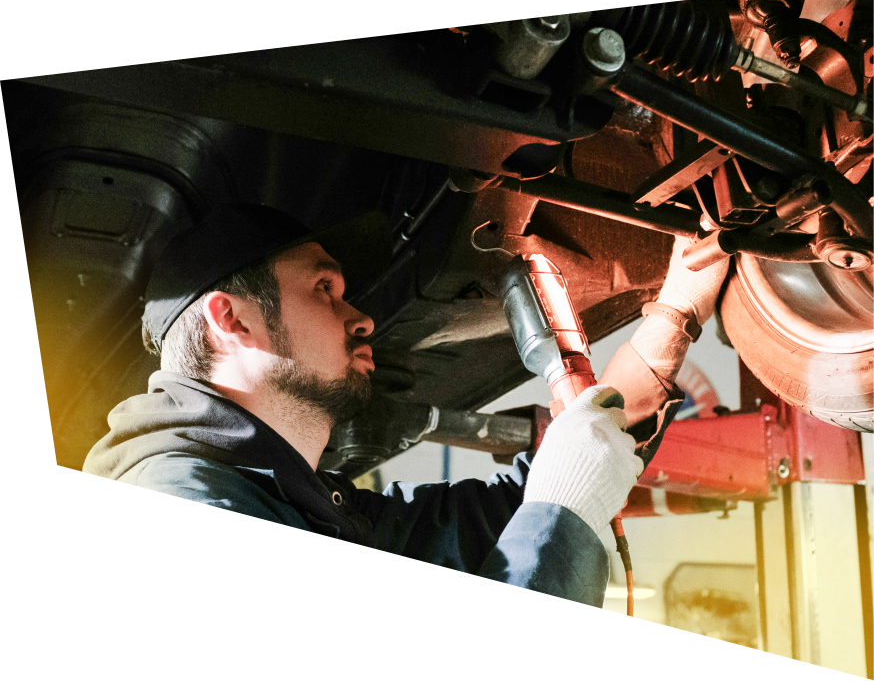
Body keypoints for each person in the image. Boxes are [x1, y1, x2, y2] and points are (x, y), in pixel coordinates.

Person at [82, 203, 728, 605]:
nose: (362, 317)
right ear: (232, 320)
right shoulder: (188, 494)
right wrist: (564, 513)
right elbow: (550, 510)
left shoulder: (295, 500)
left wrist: (678, 309)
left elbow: (509, 515)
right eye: (325, 289)